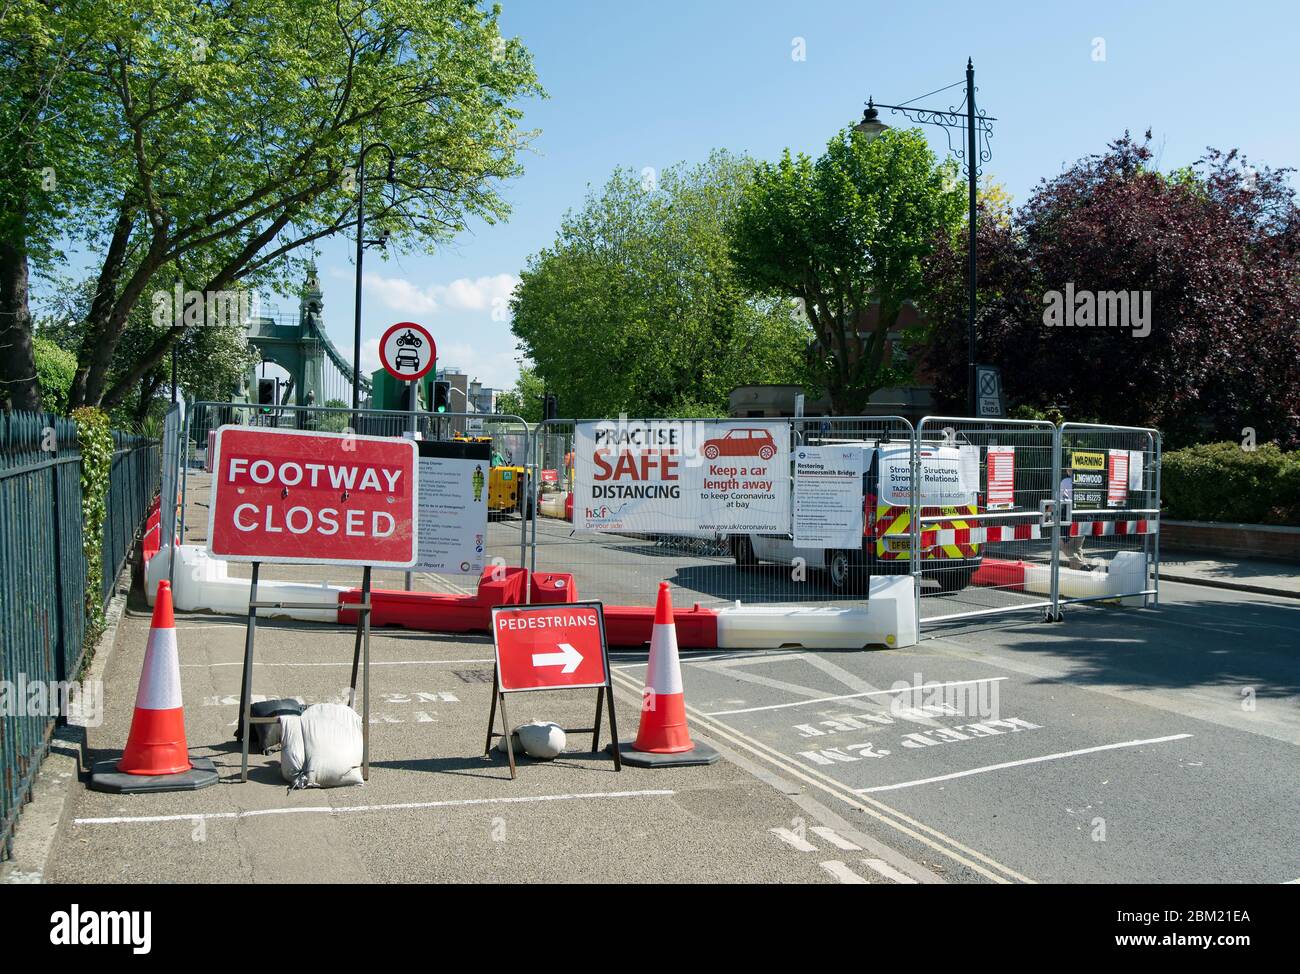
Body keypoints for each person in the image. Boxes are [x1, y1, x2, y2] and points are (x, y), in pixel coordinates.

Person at [1058, 471, 1087, 570]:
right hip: (1084, 517)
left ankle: (1082, 565)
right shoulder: (1086, 481)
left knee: (1064, 546)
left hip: (1069, 518)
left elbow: (1060, 499)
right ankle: (1078, 575)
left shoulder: (1065, 481)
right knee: (1077, 548)